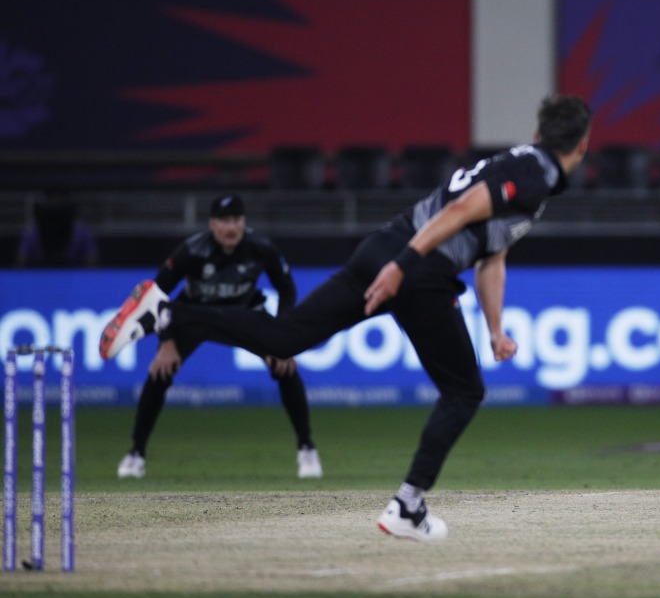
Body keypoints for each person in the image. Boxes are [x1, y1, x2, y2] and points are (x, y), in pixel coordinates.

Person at [99, 94, 593, 542]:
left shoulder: (521, 164)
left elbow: (493, 257)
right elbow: (464, 209)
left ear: (537, 132)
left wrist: (494, 329)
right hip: (417, 268)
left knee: (286, 338)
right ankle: (408, 506)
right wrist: (404, 265)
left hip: (383, 247)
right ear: (583, 144)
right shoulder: (539, 173)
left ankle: (164, 312)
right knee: (465, 391)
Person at [113, 193, 322, 480]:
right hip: (195, 316)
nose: (231, 227)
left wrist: (283, 337)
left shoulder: (261, 248)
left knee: (285, 366)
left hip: (244, 314)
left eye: (236, 220)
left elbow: (287, 288)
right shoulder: (191, 250)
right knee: (159, 373)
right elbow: (156, 296)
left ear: (244, 222)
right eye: (224, 221)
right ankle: (135, 453)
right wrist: (167, 343)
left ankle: (307, 448)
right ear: (212, 224)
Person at [15, 188, 100, 267]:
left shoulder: (82, 231)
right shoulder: (32, 231)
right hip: (41, 274)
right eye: (52, 200)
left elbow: (92, 257)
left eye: (60, 200)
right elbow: (21, 259)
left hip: (73, 273)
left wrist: (85, 278)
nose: (56, 203)